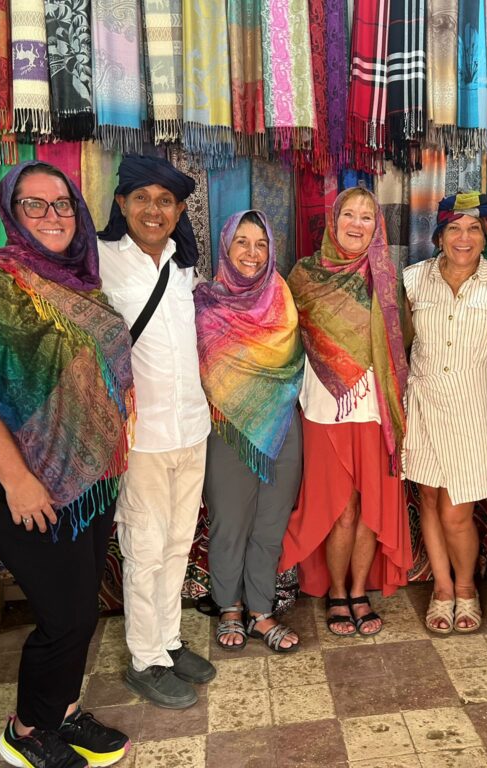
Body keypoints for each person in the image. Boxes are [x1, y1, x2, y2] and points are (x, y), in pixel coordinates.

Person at [0, 161, 133, 768]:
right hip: (24, 483)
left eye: (63, 204)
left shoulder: (80, 283)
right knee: (64, 616)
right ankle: (25, 728)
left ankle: (62, 711)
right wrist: (18, 479)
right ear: (10, 212)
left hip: (88, 482)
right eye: (34, 204)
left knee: (81, 608)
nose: (52, 216)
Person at [97, 155, 216, 707]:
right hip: (140, 437)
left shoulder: (183, 264)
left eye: (165, 201)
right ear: (121, 204)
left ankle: (167, 642)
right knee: (143, 547)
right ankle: (144, 658)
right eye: (142, 198)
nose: (153, 210)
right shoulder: (99, 261)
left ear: (178, 210)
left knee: (175, 544)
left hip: (191, 426)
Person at [279, 186, 412, 636]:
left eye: (367, 217)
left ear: (378, 227)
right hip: (323, 409)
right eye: (349, 215)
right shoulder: (304, 275)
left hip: (375, 411)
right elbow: (281, 338)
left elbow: (404, 342)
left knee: (367, 505)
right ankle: (337, 592)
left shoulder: (387, 278)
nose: (357, 224)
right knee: (339, 509)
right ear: (333, 222)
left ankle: (359, 591)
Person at [402, 192, 487, 634]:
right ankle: (443, 590)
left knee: (456, 512)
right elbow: (400, 344)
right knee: (429, 500)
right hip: (425, 405)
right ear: (439, 235)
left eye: (474, 228)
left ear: (486, 234)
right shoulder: (414, 280)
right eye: (454, 227)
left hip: (477, 412)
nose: (464, 237)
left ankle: (467, 588)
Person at [195, 210, 305, 653]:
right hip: (227, 426)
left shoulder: (282, 295)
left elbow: (294, 361)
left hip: (281, 423)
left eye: (260, 244)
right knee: (229, 522)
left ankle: (261, 610)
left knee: (271, 522)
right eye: (242, 242)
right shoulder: (206, 299)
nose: (252, 253)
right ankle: (229, 607)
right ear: (225, 245)